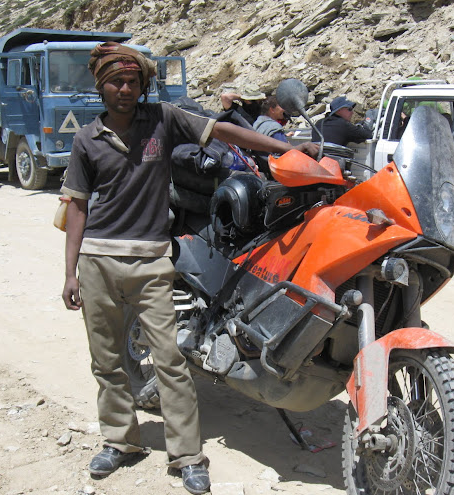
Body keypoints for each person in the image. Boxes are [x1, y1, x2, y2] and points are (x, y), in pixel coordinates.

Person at [60, 42, 317, 495]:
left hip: (152, 259)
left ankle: (187, 456)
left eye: (132, 81)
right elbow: (77, 207)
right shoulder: (85, 140)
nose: (124, 88)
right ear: (100, 87)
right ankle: (120, 441)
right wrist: (69, 272)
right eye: (116, 81)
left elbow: (224, 132)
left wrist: (285, 147)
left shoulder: (162, 118)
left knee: (170, 360)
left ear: (142, 87)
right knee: (106, 361)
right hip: (97, 259)